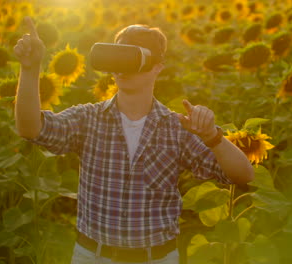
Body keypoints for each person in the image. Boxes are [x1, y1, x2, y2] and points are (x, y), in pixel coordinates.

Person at [14, 16, 254, 264]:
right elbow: (31, 128)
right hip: (93, 256)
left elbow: (243, 174)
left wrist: (213, 137)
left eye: (132, 59)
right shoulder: (88, 119)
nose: (121, 67)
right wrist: (30, 68)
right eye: (117, 56)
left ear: (157, 67)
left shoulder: (177, 128)